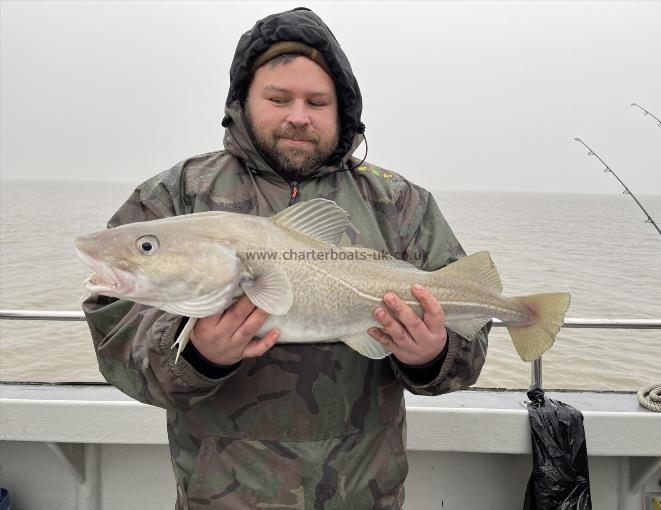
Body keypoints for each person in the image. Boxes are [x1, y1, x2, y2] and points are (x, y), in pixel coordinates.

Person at [83, 7, 488, 509]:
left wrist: (432, 356)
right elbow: (114, 330)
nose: (299, 115)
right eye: (278, 98)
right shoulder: (179, 194)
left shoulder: (401, 203)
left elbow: (472, 333)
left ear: (341, 110)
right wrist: (196, 354)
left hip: (364, 494)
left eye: (317, 101)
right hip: (223, 499)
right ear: (243, 101)